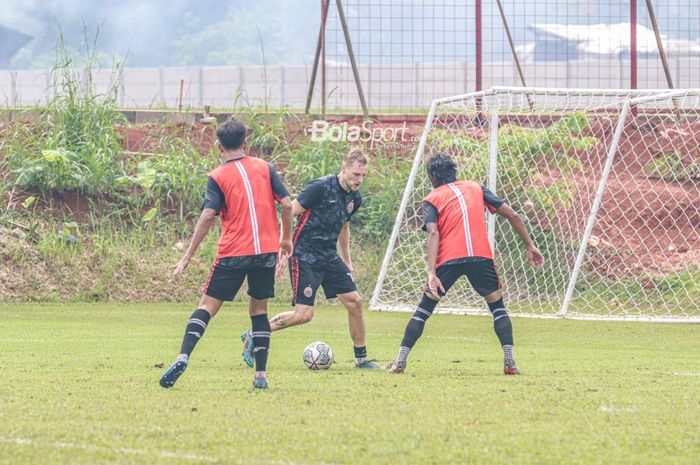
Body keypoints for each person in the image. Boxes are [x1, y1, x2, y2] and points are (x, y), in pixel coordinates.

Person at [159, 118, 293, 390]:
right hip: (265, 251)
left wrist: (187, 256)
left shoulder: (217, 176)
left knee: (207, 306)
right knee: (259, 311)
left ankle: (183, 356)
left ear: (219, 148)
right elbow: (288, 204)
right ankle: (260, 376)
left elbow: (208, 214)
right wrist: (286, 240)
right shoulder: (265, 168)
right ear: (246, 143)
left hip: (233, 251)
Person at [387, 153, 544, 375]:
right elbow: (513, 215)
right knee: (497, 308)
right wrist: (530, 245)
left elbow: (432, 232)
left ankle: (400, 361)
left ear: (432, 175)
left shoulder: (432, 198)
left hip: (449, 259)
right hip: (480, 257)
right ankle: (509, 362)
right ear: (454, 172)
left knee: (424, 309)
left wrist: (431, 272)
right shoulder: (476, 188)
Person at [241, 148, 380, 369]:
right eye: (356, 174)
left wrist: (347, 260)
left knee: (355, 302)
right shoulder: (320, 187)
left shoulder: (355, 198)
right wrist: (281, 245)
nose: (359, 180)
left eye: (363, 175)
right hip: (304, 255)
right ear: (344, 168)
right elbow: (289, 211)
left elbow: (344, 226)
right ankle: (254, 333)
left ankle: (361, 359)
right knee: (304, 315)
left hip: (329, 256)